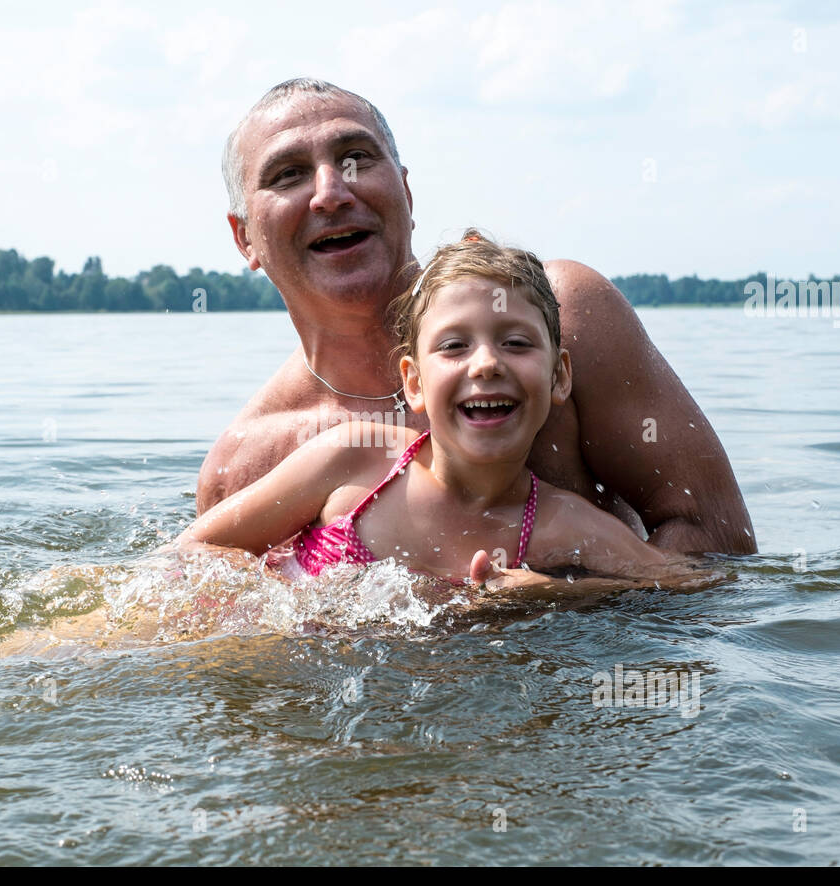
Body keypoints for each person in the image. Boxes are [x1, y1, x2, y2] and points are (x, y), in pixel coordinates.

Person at [198, 78, 756, 555]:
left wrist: (568, 596)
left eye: (356, 158)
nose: (331, 192)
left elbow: (720, 539)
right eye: (288, 174)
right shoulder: (248, 464)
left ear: (407, 193)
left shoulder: (560, 316)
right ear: (245, 237)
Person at [178, 231, 708, 590]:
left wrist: (560, 595)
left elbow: (693, 584)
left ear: (559, 376)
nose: (486, 365)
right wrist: (277, 604)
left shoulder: (567, 525)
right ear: (413, 381)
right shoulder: (353, 460)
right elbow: (191, 550)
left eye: (517, 344)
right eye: (454, 347)